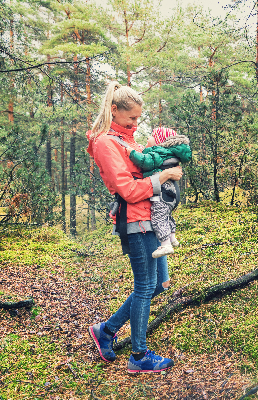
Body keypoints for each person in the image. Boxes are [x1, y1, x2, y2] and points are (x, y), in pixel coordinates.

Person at [85, 81, 182, 374]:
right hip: (135, 221)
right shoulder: (105, 143)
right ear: (114, 110)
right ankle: (138, 356)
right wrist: (164, 175)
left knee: (159, 284)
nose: (136, 124)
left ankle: (106, 330)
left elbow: (146, 165)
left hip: (153, 220)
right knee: (144, 286)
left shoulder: (129, 141)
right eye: (132, 119)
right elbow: (126, 189)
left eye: (139, 118)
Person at [124, 127, 192, 259]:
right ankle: (172, 237)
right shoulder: (169, 154)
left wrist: (131, 153)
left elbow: (146, 162)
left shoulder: (158, 153)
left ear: (159, 141)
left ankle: (166, 244)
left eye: (151, 136)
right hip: (172, 192)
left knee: (159, 217)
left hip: (163, 193)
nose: (148, 138)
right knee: (167, 215)